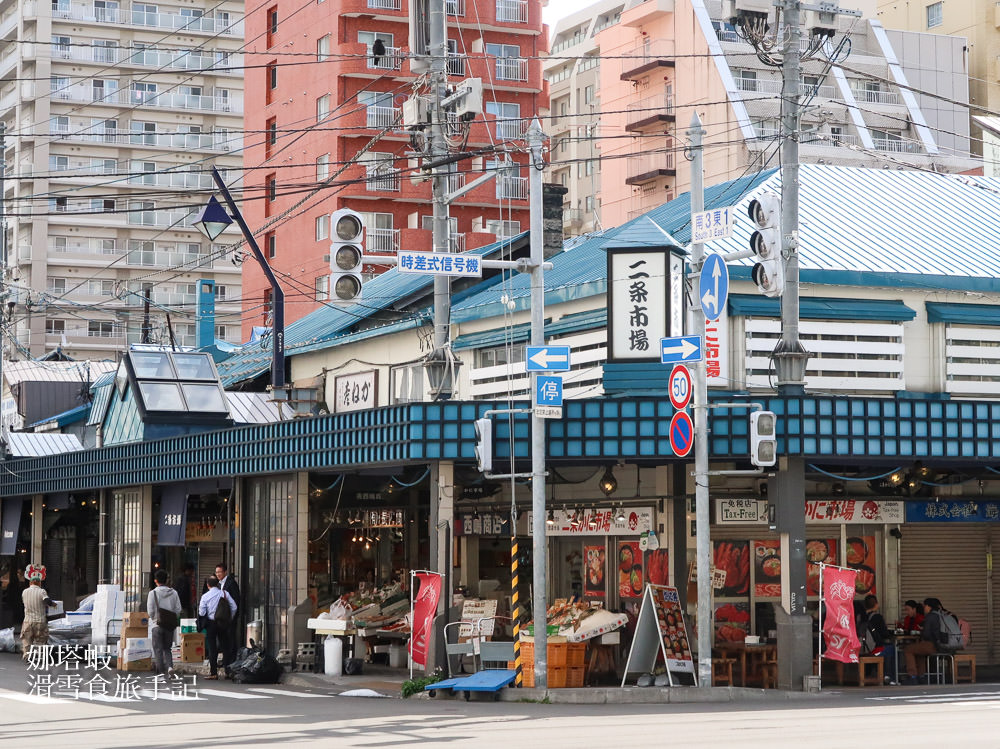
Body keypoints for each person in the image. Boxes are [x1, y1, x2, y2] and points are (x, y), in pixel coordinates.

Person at [198, 576, 236, 680]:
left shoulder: (205, 596)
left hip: (211, 623)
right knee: (225, 646)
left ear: (208, 585)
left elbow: (201, 612)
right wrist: (230, 617)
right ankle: (227, 671)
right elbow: (234, 606)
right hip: (223, 622)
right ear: (217, 584)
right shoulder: (224, 593)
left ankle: (213, 673)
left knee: (212, 647)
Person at [147, 569, 182, 677]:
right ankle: (170, 667)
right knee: (167, 648)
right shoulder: (174, 593)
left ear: (155, 580)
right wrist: (171, 617)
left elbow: (150, 611)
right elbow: (178, 609)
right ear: (166, 580)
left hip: (157, 625)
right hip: (169, 625)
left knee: (158, 649)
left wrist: (154, 619)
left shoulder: (152, 593)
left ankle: (161, 672)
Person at [903, 598, 943, 683]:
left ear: (929, 607)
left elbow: (926, 634)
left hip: (933, 644)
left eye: (924, 606)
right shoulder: (940, 615)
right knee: (919, 651)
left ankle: (912, 676)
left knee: (908, 649)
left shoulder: (930, 616)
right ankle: (922, 676)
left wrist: (921, 630)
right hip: (942, 644)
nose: (923, 608)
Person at [20, 564, 55, 661]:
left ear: (30, 582)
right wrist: (54, 605)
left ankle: (27, 656)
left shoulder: (24, 592)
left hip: (28, 621)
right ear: (39, 583)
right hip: (40, 621)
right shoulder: (41, 591)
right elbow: (47, 601)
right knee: (40, 640)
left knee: (27, 640)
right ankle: (40, 657)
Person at [861, 594, 896, 683]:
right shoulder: (877, 617)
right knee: (891, 648)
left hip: (862, 648)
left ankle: (871, 673)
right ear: (876, 604)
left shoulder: (861, 617)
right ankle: (888, 676)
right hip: (874, 650)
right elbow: (884, 634)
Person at [215, 563, 241, 663]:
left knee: (230, 638)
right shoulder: (219, 584)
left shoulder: (231, 583)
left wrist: (232, 616)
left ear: (225, 572)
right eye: (216, 572)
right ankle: (226, 661)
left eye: (220, 572)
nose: (218, 574)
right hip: (222, 617)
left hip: (230, 617)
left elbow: (236, 601)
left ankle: (231, 660)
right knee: (223, 639)